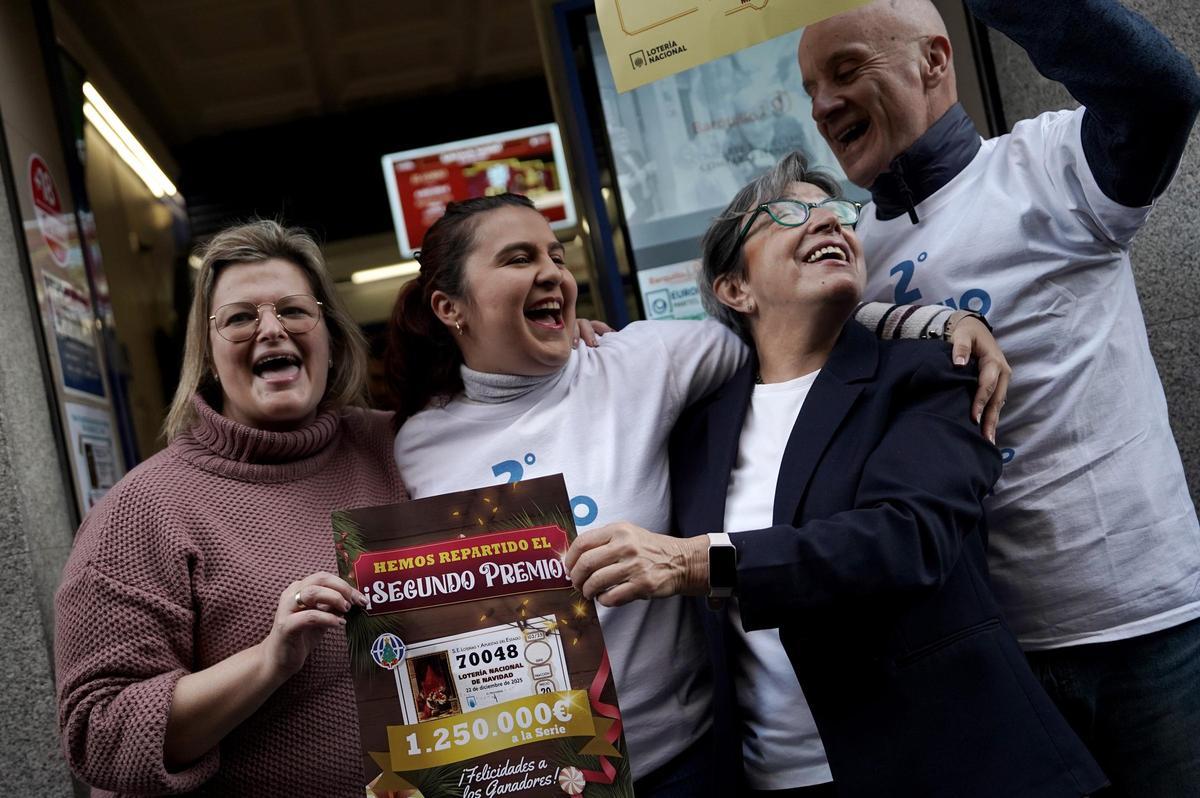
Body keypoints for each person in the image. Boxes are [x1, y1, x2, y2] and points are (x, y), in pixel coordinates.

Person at [386, 193, 1007, 796]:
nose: (552, 274)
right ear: (450, 307)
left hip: (683, 761)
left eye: (556, 256)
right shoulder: (416, 444)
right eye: (519, 260)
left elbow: (788, 328)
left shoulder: (650, 359)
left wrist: (934, 322)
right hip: (531, 776)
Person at [565, 152, 1107, 797]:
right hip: (774, 777)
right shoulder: (698, 425)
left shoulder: (928, 373)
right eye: (790, 214)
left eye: (840, 215)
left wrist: (698, 564)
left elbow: (908, 539)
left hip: (945, 764)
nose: (829, 224)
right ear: (734, 288)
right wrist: (567, 344)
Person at [798, 1, 1200, 792]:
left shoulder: (1046, 164)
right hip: (991, 661)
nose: (822, 105)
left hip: (1150, 634)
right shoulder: (849, 258)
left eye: (847, 71)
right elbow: (761, 331)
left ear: (935, 61)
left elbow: (1159, 90)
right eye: (811, 87)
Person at [54, 220, 404, 796]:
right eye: (240, 318)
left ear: (331, 335)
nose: (271, 330)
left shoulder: (402, 447)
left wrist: (585, 356)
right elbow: (100, 734)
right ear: (210, 357)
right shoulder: (144, 509)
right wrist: (269, 660)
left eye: (294, 310)